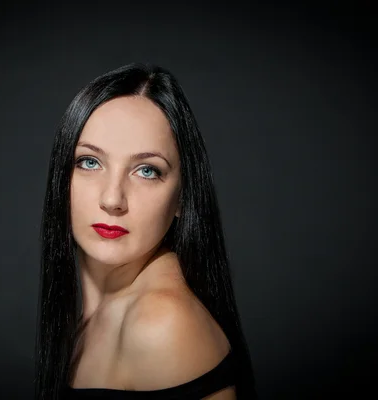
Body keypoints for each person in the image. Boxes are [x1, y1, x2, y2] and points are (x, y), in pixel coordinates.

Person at [34, 63, 257, 399]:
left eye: (147, 170)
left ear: (183, 196)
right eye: (89, 162)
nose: (112, 199)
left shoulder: (160, 323)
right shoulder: (100, 315)